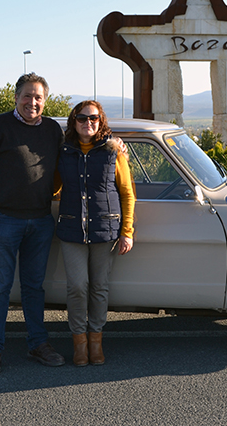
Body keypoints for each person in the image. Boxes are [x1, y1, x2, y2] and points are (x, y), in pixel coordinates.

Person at [0, 73, 65, 376]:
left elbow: (73, 158)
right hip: (3, 220)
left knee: (34, 288)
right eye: (27, 96)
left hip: (40, 220)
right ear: (16, 97)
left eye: (38, 97)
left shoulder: (52, 130)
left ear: (45, 100)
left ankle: (38, 343)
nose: (32, 102)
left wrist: (113, 145)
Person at [56, 100, 135, 366]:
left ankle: (96, 341)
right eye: (81, 118)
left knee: (100, 288)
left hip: (106, 229)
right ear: (73, 122)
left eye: (94, 119)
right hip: (71, 229)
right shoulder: (63, 152)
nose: (88, 123)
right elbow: (53, 188)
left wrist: (127, 231)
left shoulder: (114, 151)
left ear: (101, 122)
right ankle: (79, 343)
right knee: (77, 287)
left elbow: (127, 193)